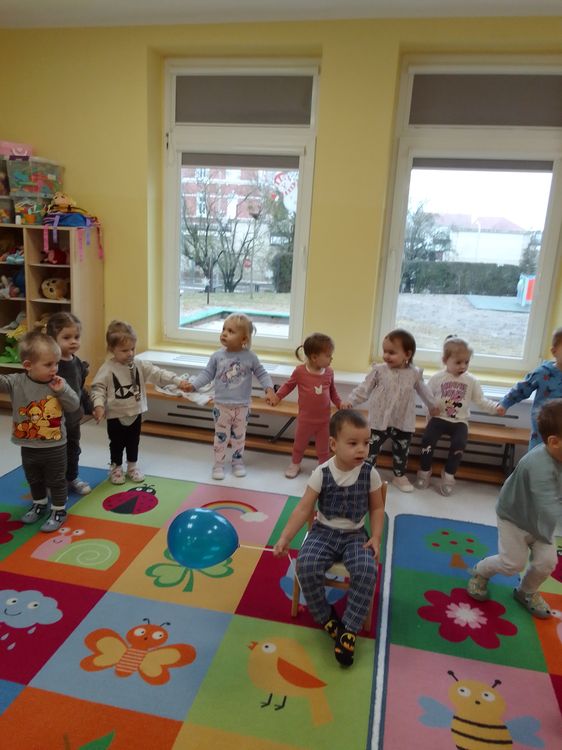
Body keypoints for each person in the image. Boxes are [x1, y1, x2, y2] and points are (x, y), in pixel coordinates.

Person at [273, 409, 385, 667]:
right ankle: (327, 618)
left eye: (366, 443)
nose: (362, 449)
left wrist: (377, 536)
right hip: (323, 531)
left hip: (355, 535)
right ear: (333, 444)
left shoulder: (370, 473)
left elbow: (378, 508)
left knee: (367, 569)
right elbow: (304, 509)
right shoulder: (321, 473)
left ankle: (349, 629)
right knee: (305, 565)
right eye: (353, 443)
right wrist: (285, 538)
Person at [466, 398, 562, 619]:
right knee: (512, 563)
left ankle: (526, 591)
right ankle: (481, 571)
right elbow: (547, 504)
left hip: (542, 522)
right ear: (554, 442)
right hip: (515, 518)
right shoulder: (538, 465)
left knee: (547, 563)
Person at [91, 320, 190, 484]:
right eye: (124, 350)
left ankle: (132, 467)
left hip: (135, 412)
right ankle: (116, 468)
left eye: (132, 349)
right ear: (112, 349)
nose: (130, 353)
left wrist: (177, 381)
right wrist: (98, 405)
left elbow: (158, 373)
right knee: (116, 443)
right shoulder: (107, 369)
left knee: (133, 442)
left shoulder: (139, 364)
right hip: (116, 415)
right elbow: (98, 388)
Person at [0, 331, 79, 532]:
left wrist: (62, 391)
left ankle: (59, 510)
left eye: (56, 363)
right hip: (28, 444)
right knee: (33, 478)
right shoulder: (16, 382)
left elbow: (74, 405)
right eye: (48, 364)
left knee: (56, 480)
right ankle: (39, 504)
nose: (54, 369)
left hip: (55, 445)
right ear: (28, 365)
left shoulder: (58, 384)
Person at [343, 328, 437, 492]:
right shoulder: (379, 370)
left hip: (403, 420)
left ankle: (399, 476)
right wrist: (351, 401)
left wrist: (432, 405)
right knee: (371, 449)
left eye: (391, 352)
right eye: (385, 351)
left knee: (402, 450)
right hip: (379, 420)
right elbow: (364, 388)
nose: (386, 356)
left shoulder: (414, 373)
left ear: (407, 354)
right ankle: (366, 475)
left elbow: (424, 390)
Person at [184, 313, 275, 480]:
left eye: (231, 331)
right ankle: (218, 464)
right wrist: (194, 385)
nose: (224, 333)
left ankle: (237, 462)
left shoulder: (250, 357)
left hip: (242, 406)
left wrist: (269, 389)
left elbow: (262, 373)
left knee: (239, 438)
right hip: (221, 406)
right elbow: (207, 373)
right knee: (221, 437)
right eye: (223, 329)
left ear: (244, 339)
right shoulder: (217, 356)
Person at [415, 336, 500, 496]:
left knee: (459, 444)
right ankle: (424, 471)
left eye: (466, 362)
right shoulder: (437, 378)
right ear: (445, 360)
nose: (463, 366)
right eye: (458, 362)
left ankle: (448, 475)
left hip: (460, 421)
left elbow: (480, 400)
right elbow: (426, 397)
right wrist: (429, 409)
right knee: (427, 440)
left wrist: (496, 408)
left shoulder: (471, 380)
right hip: (439, 418)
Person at [270, 332, 342, 479]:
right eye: (328, 355)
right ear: (314, 357)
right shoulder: (300, 371)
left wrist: (340, 403)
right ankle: (295, 464)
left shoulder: (329, 372)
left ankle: (324, 468)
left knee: (323, 448)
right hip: (305, 419)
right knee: (299, 444)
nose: (331, 358)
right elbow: (288, 386)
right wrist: (277, 397)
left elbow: (333, 392)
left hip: (324, 420)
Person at [46, 312, 92, 495]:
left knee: (73, 449)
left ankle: (72, 477)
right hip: (54, 421)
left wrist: (91, 407)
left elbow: (80, 388)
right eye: (66, 337)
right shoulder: (51, 365)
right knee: (55, 453)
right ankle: (54, 482)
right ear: (52, 340)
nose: (73, 341)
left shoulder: (77, 363)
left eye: (76, 337)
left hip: (73, 419)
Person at [497, 327, 562, 450]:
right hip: (542, 430)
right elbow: (522, 388)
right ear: (554, 352)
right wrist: (505, 403)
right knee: (538, 456)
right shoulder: (543, 372)